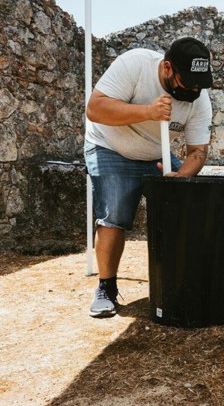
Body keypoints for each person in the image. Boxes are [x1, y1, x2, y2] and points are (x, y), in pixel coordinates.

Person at [84, 37, 214, 318]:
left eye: (199, 83)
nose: (193, 88)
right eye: (188, 81)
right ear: (167, 68)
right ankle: (106, 288)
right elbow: (95, 108)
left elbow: (197, 153)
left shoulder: (199, 99)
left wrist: (179, 178)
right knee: (114, 212)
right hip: (110, 145)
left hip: (156, 153)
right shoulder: (135, 65)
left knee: (186, 203)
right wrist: (147, 112)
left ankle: (181, 281)